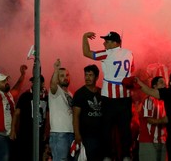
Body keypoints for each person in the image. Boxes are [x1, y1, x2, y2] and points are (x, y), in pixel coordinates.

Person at [82, 30, 135, 160]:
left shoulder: (107, 54)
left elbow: (86, 53)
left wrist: (84, 37)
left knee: (106, 129)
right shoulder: (129, 53)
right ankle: (126, 155)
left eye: (107, 41)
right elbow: (132, 71)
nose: (104, 43)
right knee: (125, 129)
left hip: (109, 98)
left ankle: (107, 156)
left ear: (115, 43)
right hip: (125, 98)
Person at [0, 66, 26, 161]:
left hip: (7, 134)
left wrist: (23, 74)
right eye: (3, 81)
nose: (6, 82)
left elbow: (17, 87)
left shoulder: (9, 95)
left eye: (6, 80)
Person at [72, 65, 104, 161]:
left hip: (100, 135)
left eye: (90, 75)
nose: (87, 78)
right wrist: (77, 135)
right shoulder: (80, 94)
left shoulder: (101, 92)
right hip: (86, 136)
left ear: (97, 77)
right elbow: (75, 116)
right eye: (86, 75)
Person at [48, 59, 75, 161]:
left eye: (67, 75)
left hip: (70, 133)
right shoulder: (55, 91)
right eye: (62, 75)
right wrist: (56, 70)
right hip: (59, 133)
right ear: (57, 78)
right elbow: (52, 85)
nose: (65, 78)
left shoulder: (70, 93)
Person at [138, 77, 168, 161]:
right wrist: (164, 120)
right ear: (154, 86)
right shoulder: (149, 100)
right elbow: (149, 120)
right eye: (161, 82)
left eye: (165, 83)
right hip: (148, 141)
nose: (164, 85)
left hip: (162, 140)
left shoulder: (164, 101)